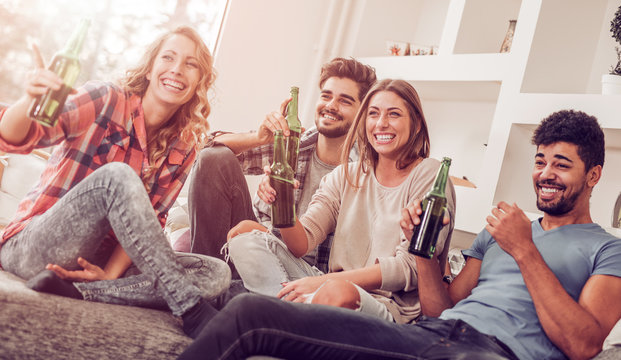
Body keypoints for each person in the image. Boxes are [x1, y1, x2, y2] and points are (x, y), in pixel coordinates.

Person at [178, 109, 621, 359]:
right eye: (540, 161)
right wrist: (424, 255)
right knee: (250, 313)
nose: (545, 174)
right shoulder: (497, 234)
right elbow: (439, 307)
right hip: (432, 336)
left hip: (494, 355)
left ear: (594, 175)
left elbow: (584, 344)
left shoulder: (606, 250)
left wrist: (525, 250)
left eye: (561, 165)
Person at [0, 26, 230, 339]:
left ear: (199, 82)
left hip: (94, 263)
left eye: (191, 64)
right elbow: (19, 138)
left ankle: (86, 291)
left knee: (215, 273)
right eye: (169, 57)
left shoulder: (186, 144)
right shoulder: (105, 99)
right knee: (117, 176)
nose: (177, 69)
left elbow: (150, 222)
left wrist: (108, 275)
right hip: (33, 245)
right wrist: (29, 99)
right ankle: (188, 305)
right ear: (150, 69)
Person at [226, 79, 456, 324]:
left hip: (385, 306)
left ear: (417, 124)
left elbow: (407, 267)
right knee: (244, 233)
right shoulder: (345, 174)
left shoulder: (429, 175)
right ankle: (289, 316)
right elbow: (302, 243)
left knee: (337, 292)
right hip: (327, 288)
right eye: (373, 114)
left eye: (394, 114)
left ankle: (279, 316)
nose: (381, 123)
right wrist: (281, 202)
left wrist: (324, 282)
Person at [187, 57, 377, 277]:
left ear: (362, 113)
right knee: (214, 158)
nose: (331, 106)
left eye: (345, 101)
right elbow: (205, 150)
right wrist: (259, 138)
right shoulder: (294, 144)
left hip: (301, 270)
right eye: (326, 96)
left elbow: (321, 252)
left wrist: (266, 234)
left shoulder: (364, 175)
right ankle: (206, 279)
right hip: (254, 244)